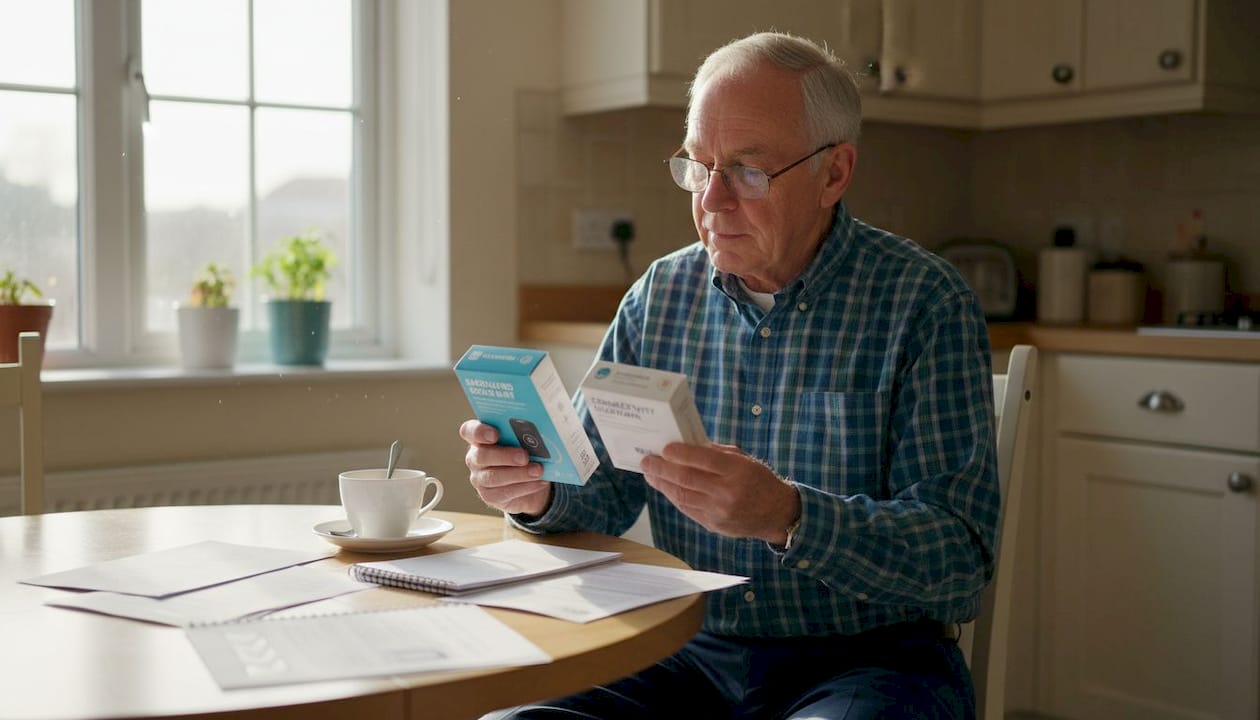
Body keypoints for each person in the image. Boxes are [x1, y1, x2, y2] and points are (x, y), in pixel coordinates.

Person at [460, 30, 998, 720]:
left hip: (872, 663)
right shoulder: (660, 297)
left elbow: (959, 561)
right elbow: (599, 497)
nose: (711, 201)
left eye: (747, 171)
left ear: (834, 173)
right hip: (683, 648)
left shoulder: (923, 302)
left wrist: (790, 517)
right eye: (697, 165)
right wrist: (534, 491)